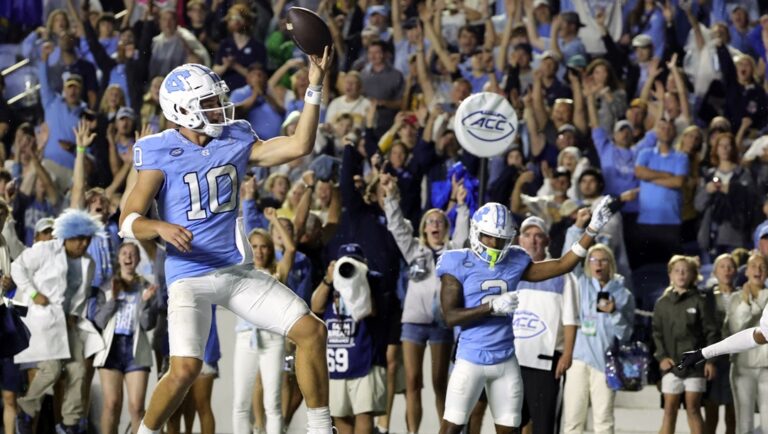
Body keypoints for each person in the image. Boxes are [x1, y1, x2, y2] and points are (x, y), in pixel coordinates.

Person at [118, 47, 334, 434]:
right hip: (189, 276)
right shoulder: (157, 150)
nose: (221, 108)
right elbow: (128, 218)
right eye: (209, 103)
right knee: (185, 368)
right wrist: (160, 227)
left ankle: (321, 429)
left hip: (236, 271)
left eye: (218, 99)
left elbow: (299, 146)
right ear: (182, 110)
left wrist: (314, 87)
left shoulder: (234, 136)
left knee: (312, 331)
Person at [436, 197, 617, 434]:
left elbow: (563, 265)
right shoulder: (456, 262)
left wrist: (591, 230)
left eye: (500, 239)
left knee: (511, 429)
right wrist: (491, 307)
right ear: (476, 232)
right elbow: (449, 317)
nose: (494, 243)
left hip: (505, 360)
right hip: (470, 359)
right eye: (488, 236)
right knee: (452, 427)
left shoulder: (515, 259)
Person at [381, 174, 469, 434]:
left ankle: (446, 431)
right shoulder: (414, 250)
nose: (434, 225)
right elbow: (397, 227)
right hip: (413, 323)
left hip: (442, 321)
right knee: (412, 381)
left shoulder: (453, 251)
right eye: (430, 221)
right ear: (423, 228)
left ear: (445, 227)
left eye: (440, 221)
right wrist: (390, 198)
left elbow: (464, 234)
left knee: (440, 382)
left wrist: (462, 206)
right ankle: (412, 432)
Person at [12, 209, 103, 434]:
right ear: (67, 236)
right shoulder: (45, 250)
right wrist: (33, 294)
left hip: (68, 323)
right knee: (51, 370)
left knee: (78, 370)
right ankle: (26, 408)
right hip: (42, 321)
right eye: (78, 238)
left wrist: (74, 313)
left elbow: (80, 295)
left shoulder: (88, 263)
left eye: (87, 239)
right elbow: (17, 268)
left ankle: (70, 423)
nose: (83, 243)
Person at [232, 208, 296, 434]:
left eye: (264, 246)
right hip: (245, 339)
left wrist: (275, 221)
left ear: (270, 249)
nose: (259, 251)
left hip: (272, 340)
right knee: (240, 403)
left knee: (273, 403)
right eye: (255, 246)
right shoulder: (241, 271)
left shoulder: (277, 273)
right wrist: (238, 219)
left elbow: (290, 249)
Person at [514, 216, 580, 434]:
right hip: (512, 360)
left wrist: (567, 354)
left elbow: (570, 319)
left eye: (538, 236)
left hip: (546, 363)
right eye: (527, 235)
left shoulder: (562, 275)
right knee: (510, 424)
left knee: (544, 426)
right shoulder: (510, 273)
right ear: (519, 240)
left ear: (547, 240)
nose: (533, 241)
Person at [92, 242, 159, 434]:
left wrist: (146, 303)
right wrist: (113, 298)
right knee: (112, 404)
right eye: (124, 253)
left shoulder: (146, 286)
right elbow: (99, 321)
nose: (128, 257)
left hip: (136, 350)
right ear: (119, 258)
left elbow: (148, 325)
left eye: (132, 254)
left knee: (137, 407)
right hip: (111, 349)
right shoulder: (107, 285)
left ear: (138, 259)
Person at [653, 255, 718, 434]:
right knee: (669, 409)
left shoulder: (700, 301)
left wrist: (710, 361)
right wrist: (662, 357)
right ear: (670, 275)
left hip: (695, 365)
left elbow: (711, 333)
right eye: (677, 271)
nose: (681, 274)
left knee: (693, 408)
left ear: (693, 275)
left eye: (685, 271)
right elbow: (656, 334)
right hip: (671, 365)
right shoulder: (662, 304)